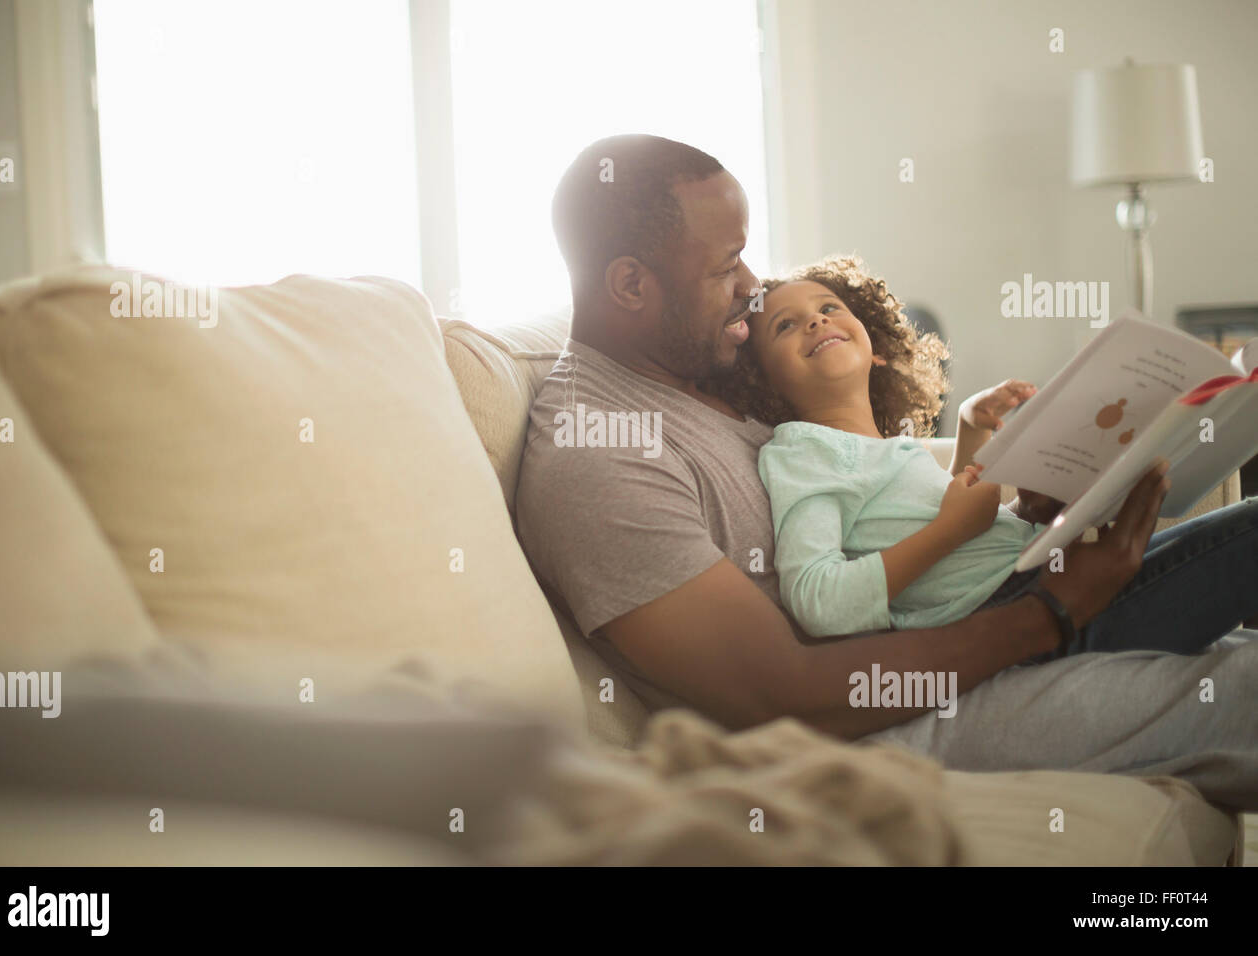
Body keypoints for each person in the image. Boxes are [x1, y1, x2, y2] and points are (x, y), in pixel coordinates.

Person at [514, 133, 1258, 810]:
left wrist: (1020, 511)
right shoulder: (597, 457)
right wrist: (1050, 614)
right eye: (724, 265)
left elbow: (875, 489)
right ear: (630, 285)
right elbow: (782, 695)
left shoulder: (707, 367)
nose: (751, 283)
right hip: (875, 725)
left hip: (967, 629)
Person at [706, 255, 1258, 657]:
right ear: (762, 383)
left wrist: (975, 436)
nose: (816, 320)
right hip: (1021, 617)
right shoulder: (804, 453)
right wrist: (949, 531)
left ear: (876, 349)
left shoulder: (885, 447)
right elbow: (818, 601)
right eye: (785, 325)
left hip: (1038, 577)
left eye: (828, 307)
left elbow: (939, 517)